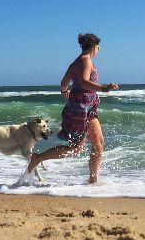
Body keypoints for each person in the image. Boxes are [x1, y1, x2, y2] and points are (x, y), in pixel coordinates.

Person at [27, 33, 119, 184]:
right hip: (83, 109)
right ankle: (93, 180)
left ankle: (38, 158)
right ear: (94, 47)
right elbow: (83, 82)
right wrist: (104, 87)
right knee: (96, 144)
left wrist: (65, 92)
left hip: (81, 108)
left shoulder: (76, 62)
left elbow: (64, 82)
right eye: (99, 47)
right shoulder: (85, 60)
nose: (98, 50)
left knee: (78, 148)